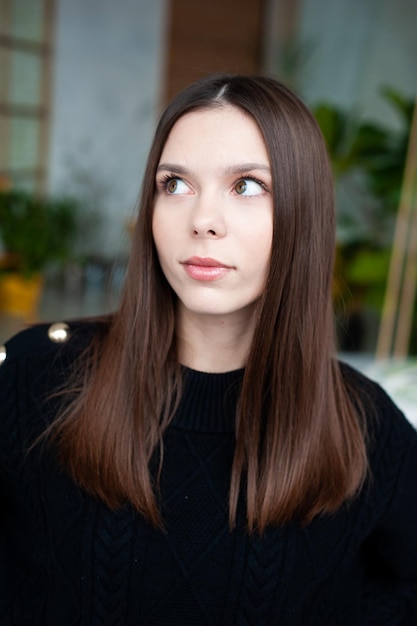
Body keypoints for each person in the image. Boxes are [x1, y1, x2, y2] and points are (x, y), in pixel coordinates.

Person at [1, 74, 416, 626]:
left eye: (246, 186)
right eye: (174, 184)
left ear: (303, 216)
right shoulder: (36, 375)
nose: (201, 222)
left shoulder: (363, 428)